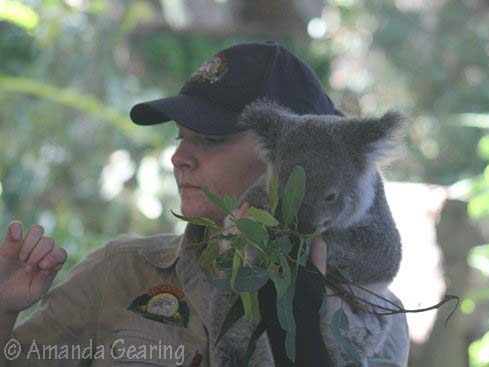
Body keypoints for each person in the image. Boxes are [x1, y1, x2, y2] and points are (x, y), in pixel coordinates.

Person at [0, 41, 409, 366]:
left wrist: (305, 340)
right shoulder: (120, 272)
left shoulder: (372, 313)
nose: (180, 158)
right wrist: (2, 310)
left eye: (212, 140)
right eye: (182, 137)